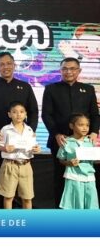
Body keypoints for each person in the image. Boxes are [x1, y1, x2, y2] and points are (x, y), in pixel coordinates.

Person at [0, 51, 38, 206]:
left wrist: (30, 132)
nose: (6, 67)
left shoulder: (25, 87)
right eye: (2, 64)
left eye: (9, 63)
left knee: (23, 180)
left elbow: (33, 111)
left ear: (14, 65)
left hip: (22, 143)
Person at [42, 57, 100, 207]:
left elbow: (95, 114)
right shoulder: (51, 89)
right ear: (60, 71)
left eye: (72, 68)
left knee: (86, 177)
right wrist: (56, 133)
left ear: (79, 71)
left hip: (84, 142)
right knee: (60, 179)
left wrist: (94, 132)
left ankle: (85, 212)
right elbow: (46, 115)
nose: (68, 71)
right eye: (65, 69)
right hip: (61, 141)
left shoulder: (88, 89)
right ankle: (61, 214)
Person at [0, 101, 40, 209]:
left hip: (26, 165)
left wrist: (37, 149)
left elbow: (34, 145)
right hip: (10, 165)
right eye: (14, 112)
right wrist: (4, 148)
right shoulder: (5, 129)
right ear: (9, 114)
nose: (18, 114)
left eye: (21, 112)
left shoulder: (29, 130)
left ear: (25, 114)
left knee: (27, 197)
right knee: (8, 196)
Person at [56, 114, 99, 209]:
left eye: (87, 125)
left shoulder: (91, 142)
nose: (85, 128)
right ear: (72, 126)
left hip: (89, 178)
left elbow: (94, 160)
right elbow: (61, 159)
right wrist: (69, 163)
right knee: (74, 204)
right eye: (81, 125)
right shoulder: (66, 142)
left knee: (91, 204)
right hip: (73, 177)